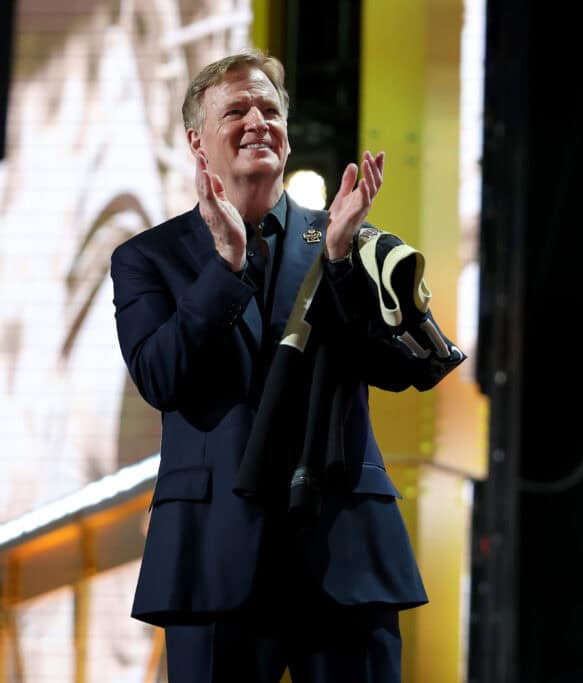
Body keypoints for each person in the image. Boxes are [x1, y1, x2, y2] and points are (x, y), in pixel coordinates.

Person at [110, 50, 462, 683]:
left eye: (269, 109)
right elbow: (160, 377)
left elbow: (400, 368)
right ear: (197, 141)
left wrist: (343, 262)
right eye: (236, 110)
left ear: (287, 134)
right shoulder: (149, 257)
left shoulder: (339, 239)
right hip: (214, 555)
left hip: (344, 551)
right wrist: (223, 268)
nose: (256, 121)